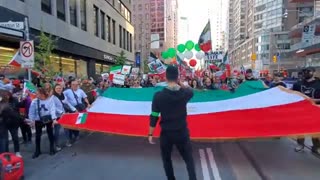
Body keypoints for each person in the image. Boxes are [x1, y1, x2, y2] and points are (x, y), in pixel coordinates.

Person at [148, 65, 197, 180]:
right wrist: (180, 83)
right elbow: (191, 91)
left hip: (166, 134)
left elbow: (154, 116)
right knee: (189, 159)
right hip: (182, 132)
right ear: (177, 77)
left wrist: (150, 134)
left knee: (166, 160)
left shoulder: (158, 96)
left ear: (165, 77)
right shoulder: (185, 94)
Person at [292, 67, 320, 154]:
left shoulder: (319, 84)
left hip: (315, 110)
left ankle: (316, 147)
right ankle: (300, 144)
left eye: (309, 71)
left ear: (314, 72)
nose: (306, 73)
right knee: (300, 128)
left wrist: (314, 100)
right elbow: (292, 95)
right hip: (301, 110)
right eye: (304, 72)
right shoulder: (298, 84)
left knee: (315, 129)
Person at [29, 87, 57, 158]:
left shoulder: (50, 100)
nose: (36, 95)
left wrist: (54, 119)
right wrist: (31, 120)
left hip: (48, 120)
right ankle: (37, 150)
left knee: (50, 134)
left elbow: (52, 109)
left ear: (42, 94)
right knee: (37, 136)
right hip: (38, 120)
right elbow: (31, 112)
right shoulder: (35, 101)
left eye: (37, 93)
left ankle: (52, 148)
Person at [0, 89, 20, 154]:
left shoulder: (14, 100)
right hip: (3, 125)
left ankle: (16, 152)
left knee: (14, 138)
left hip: (12, 123)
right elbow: (13, 114)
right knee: (4, 142)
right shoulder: (4, 105)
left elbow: (15, 113)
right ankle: (6, 156)